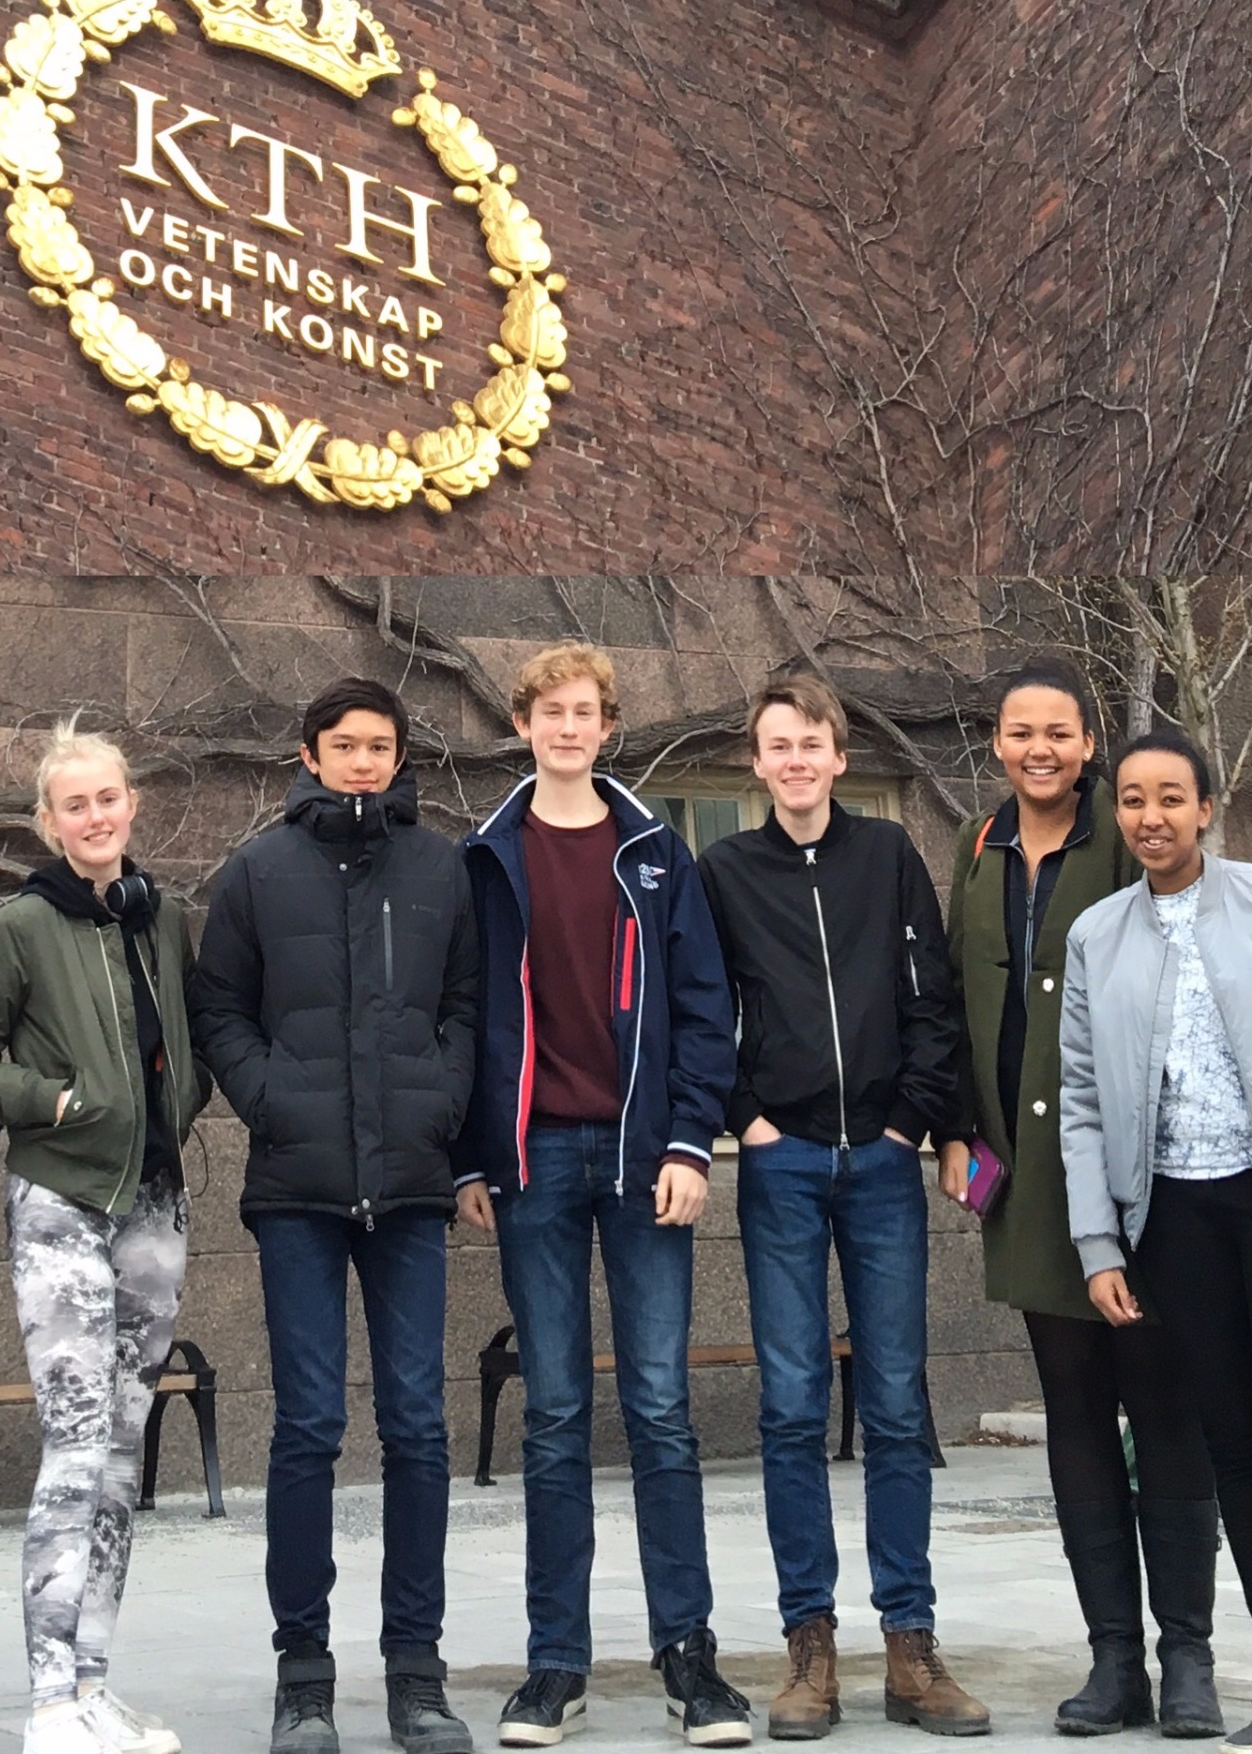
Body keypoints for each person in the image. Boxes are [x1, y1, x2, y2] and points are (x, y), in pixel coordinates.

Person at [455, 642, 747, 1750]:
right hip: (532, 1164)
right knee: (556, 1413)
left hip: (643, 1162)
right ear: (523, 725)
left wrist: (690, 1143)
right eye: (550, 712)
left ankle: (690, 1657)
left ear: (607, 727)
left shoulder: (657, 854)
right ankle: (555, 1664)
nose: (568, 728)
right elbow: (464, 1016)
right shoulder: (486, 858)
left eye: (585, 712)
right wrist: (472, 1160)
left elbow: (705, 1009)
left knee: (661, 1408)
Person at [190, 678, 479, 1754]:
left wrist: (440, 1102)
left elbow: (467, 1007)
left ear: (400, 758)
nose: (365, 761)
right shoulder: (259, 871)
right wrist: (270, 1099)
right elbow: (220, 1008)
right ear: (308, 756)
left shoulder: (440, 867)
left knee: (418, 1427)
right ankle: (303, 1675)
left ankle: (417, 1672)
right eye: (346, 745)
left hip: (408, 1184)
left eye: (381, 746)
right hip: (298, 1189)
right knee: (308, 1427)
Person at [698, 673, 989, 1741]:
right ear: (756, 761)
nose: (796, 760)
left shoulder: (890, 855)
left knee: (899, 1404)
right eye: (777, 745)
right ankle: (809, 1647)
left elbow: (932, 1000)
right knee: (789, 1407)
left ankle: (910, 1646)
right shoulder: (724, 870)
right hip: (779, 1162)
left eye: (810, 742)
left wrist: (912, 1121)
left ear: (838, 752)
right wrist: (745, 1117)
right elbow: (702, 1005)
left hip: (880, 1161)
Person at [947, 667, 1220, 1738]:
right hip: (1027, 1178)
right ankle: (1114, 1658)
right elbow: (958, 1003)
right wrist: (958, 1133)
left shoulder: (1126, 833)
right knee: (1073, 1412)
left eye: (1059, 732)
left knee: (1164, 1405)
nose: (1040, 749)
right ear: (997, 742)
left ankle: (1187, 1653)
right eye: (1021, 732)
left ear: (1089, 741)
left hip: (1140, 1175)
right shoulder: (978, 848)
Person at [1061, 731, 1252, 1754]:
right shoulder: (1096, 935)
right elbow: (1081, 1100)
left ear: (1206, 807)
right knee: (1239, 1450)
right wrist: (1099, 1242)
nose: (1151, 817)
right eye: (1133, 799)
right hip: (1174, 1220)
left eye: (1171, 797)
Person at [0, 721, 211, 1754]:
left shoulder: (163, 917)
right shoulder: (20, 926)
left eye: (109, 798)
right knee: (75, 1443)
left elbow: (184, 1042)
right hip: (61, 1201)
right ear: (48, 823)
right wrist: (55, 1102)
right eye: (75, 804)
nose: (96, 817)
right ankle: (51, 1701)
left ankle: (94, 1685)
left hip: (154, 1206)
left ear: (131, 804)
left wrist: (177, 1102)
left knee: (123, 1451)